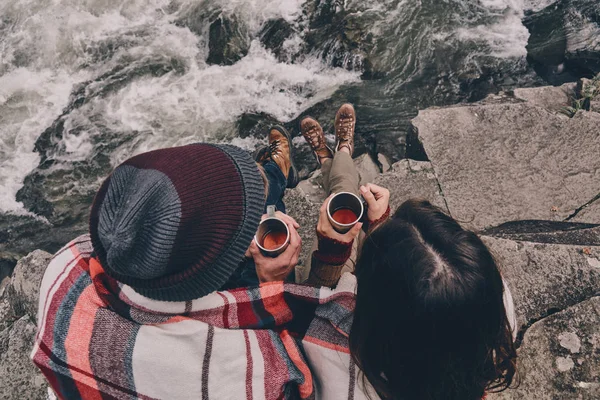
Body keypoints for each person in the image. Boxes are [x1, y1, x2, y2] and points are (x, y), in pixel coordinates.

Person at [31, 139, 316, 399]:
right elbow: (298, 379)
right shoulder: (240, 369)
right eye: (243, 236)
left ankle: (276, 172)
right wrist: (271, 284)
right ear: (208, 276)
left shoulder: (64, 266)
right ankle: (277, 173)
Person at [296, 106, 518, 400]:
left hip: (342, 281)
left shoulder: (332, 356)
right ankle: (338, 153)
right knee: (343, 200)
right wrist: (378, 225)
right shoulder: (490, 302)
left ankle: (337, 155)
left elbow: (303, 313)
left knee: (341, 201)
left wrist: (330, 257)